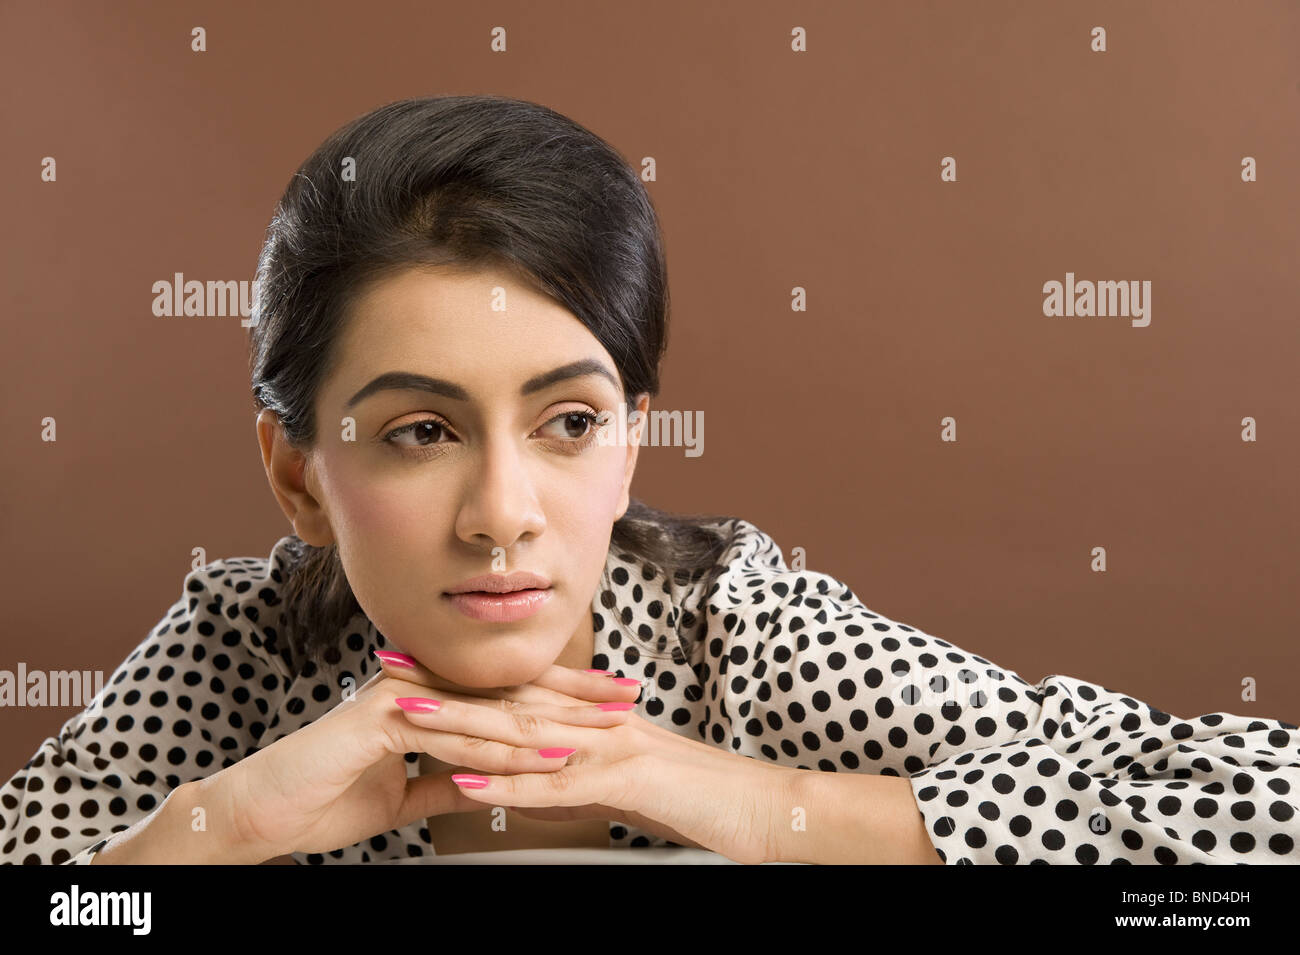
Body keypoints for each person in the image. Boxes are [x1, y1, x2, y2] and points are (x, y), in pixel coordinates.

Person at [2, 96, 1296, 865]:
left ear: (627, 448)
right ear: (296, 472)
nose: (503, 513)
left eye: (567, 422)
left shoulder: (728, 627)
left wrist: (751, 797)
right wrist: (219, 828)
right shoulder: (241, 650)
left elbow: (1260, 812)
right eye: (418, 433)